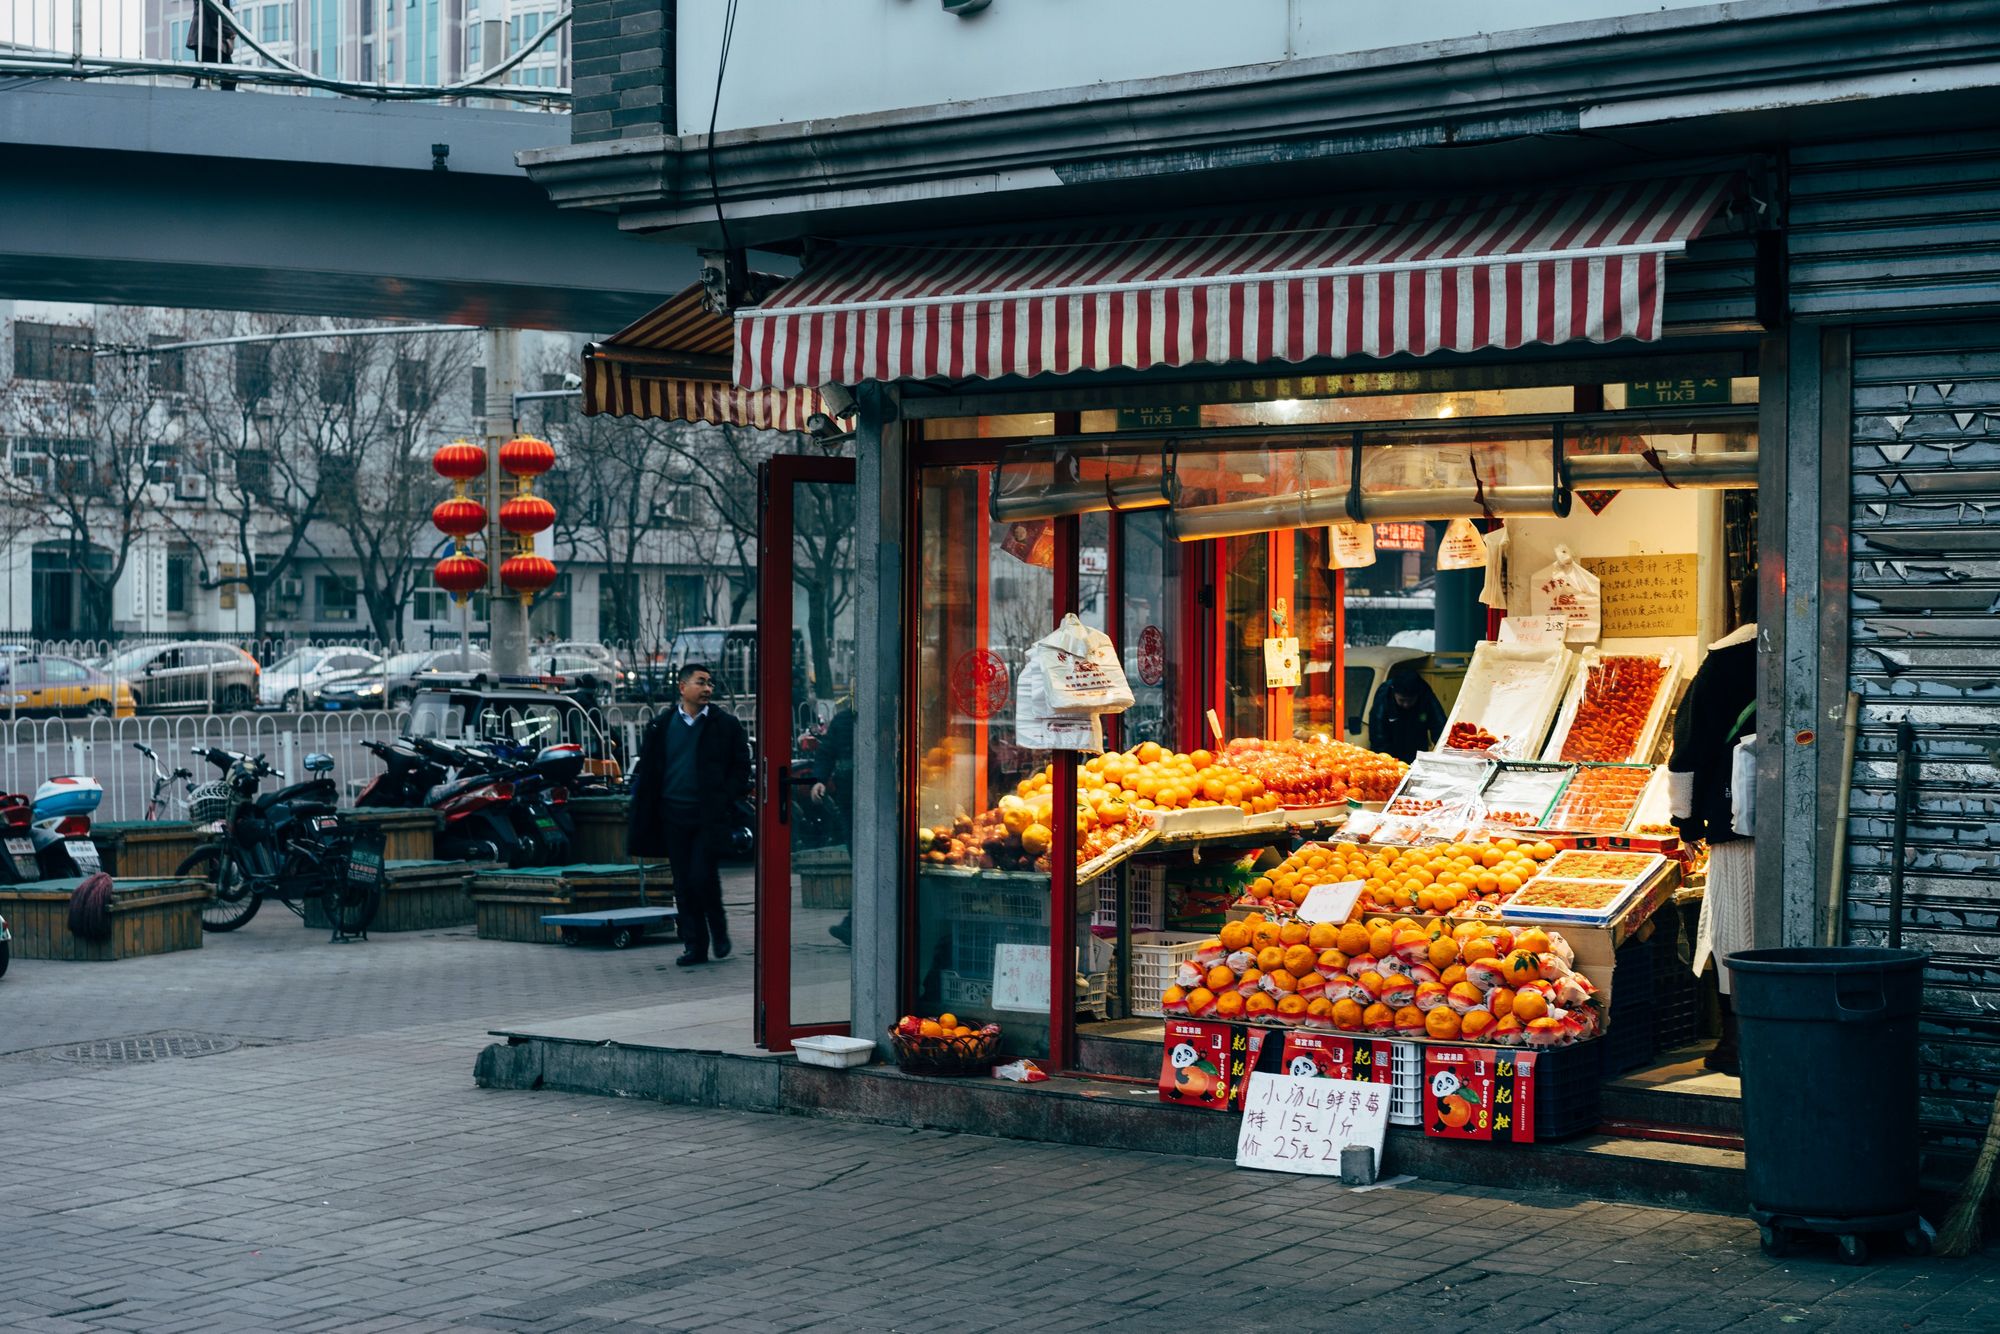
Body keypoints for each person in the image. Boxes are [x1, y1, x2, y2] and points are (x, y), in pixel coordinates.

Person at [1668, 579, 1758, 1075]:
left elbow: (1689, 746)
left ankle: (1736, 1040)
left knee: (1734, 930)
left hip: (1733, 818)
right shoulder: (1814, 647)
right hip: (1801, 822)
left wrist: (1684, 818)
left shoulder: (1724, 659)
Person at [627, 663, 750, 966]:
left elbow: (741, 769)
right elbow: (650, 770)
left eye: (710, 683)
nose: (708, 689)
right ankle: (695, 945)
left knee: (701, 875)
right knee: (683, 882)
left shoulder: (726, 725)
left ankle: (718, 930)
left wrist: (724, 796)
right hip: (673, 815)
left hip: (708, 816)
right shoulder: (662, 725)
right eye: (701, 682)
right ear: (682, 688)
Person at [814, 699, 857, 946]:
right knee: (859, 860)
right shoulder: (843, 721)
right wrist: (819, 779)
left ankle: (852, 924)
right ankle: (852, 924)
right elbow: (826, 752)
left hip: (880, 802)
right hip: (850, 801)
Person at [1367, 662, 1446, 762]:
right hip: (1390, 751)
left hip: (1417, 747)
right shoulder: (1384, 697)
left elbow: (1439, 726)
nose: (1406, 705)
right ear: (1394, 692)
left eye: (1410, 700)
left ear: (1417, 695)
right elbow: (1378, 738)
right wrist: (1388, 764)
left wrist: (1442, 754)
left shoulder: (1425, 693)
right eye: (1402, 700)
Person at [186, 0, 237, 89]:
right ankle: (226, 102)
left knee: (203, 76)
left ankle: (194, 100)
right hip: (209, 40)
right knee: (229, 76)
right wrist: (232, 30)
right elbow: (215, 14)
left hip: (208, 40)